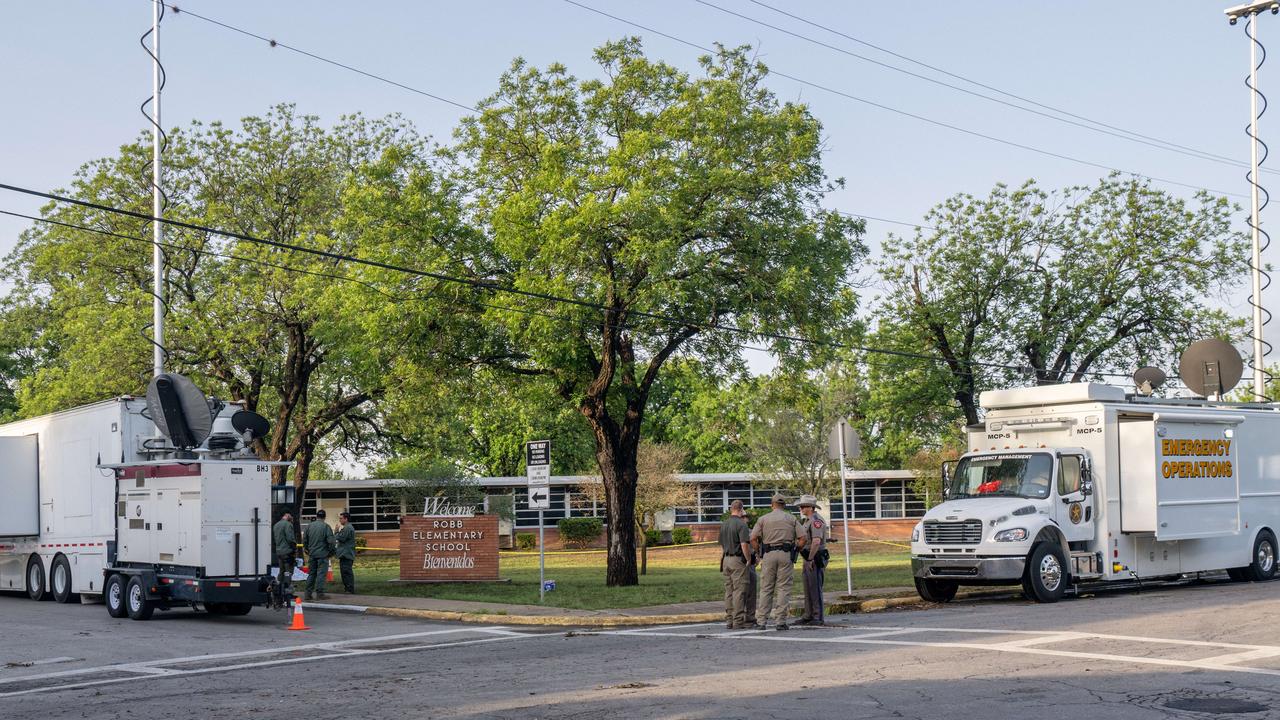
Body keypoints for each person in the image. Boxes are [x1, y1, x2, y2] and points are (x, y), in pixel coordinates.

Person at [749, 494, 803, 631]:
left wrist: (758, 552)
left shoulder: (763, 519)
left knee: (766, 588)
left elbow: (753, 538)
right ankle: (780, 621)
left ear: (771, 505)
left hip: (768, 554)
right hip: (786, 554)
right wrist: (796, 549)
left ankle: (761, 621)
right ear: (784, 505)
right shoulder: (791, 518)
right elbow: (803, 538)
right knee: (783, 588)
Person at [718, 500, 752, 629]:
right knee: (739, 591)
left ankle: (729, 620)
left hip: (726, 559)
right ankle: (738, 621)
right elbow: (744, 544)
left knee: (729, 591)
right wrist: (748, 559)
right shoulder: (741, 524)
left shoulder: (724, 524)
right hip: (737, 560)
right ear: (741, 509)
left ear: (731, 509)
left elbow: (722, 543)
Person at [797, 495, 828, 626]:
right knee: (808, 587)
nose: (801, 508)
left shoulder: (816, 520)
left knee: (815, 587)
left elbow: (816, 541)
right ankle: (808, 615)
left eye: (803, 506)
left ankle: (817, 616)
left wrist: (810, 559)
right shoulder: (807, 521)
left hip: (814, 557)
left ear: (811, 507)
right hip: (808, 557)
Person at [303, 509, 337, 601]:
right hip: (323, 554)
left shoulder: (309, 526)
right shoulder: (326, 527)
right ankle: (320, 594)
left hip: (312, 554)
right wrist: (331, 552)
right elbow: (331, 542)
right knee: (321, 574)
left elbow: (305, 540)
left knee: (311, 574)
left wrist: (307, 549)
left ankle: (307, 594)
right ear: (324, 517)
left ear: (316, 516)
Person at [272, 510, 296, 596]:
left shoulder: (276, 525)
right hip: (287, 551)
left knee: (281, 571)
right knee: (288, 571)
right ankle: (287, 590)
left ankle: (278, 590)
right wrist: (294, 547)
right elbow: (290, 538)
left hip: (279, 551)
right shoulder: (288, 524)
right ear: (289, 518)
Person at [334, 511, 358, 594]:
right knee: (344, 572)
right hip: (344, 554)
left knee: (347, 572)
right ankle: (347, 588)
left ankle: (350, 589)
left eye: (341, 518)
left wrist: (336, 532)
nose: (340, 520)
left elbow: (341, 538)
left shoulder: (348, 528)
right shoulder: (346, 527)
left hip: (346, 554)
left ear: (346, 519)